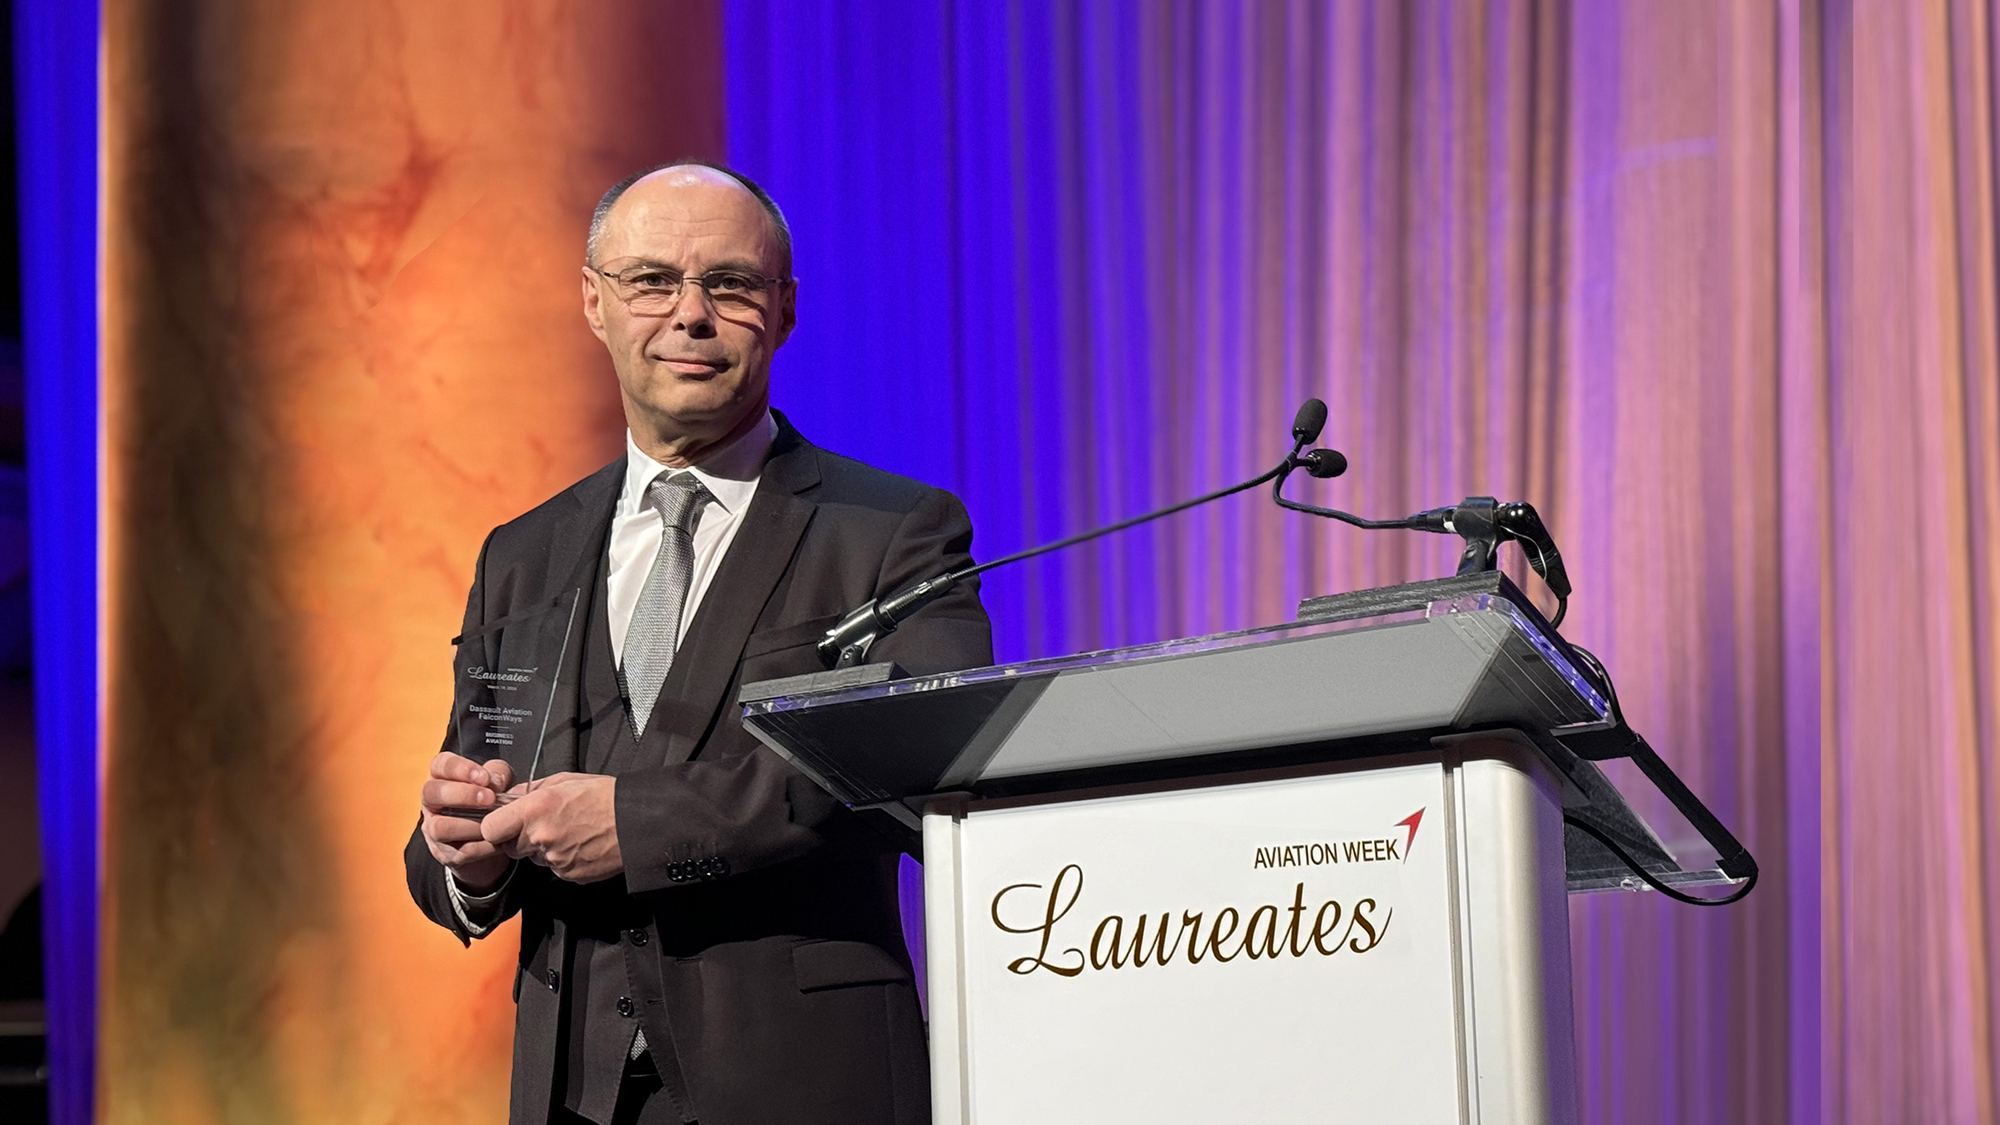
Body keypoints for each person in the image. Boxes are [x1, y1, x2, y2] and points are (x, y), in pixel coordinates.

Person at [404, 162, 992, 1125]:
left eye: (729, 283)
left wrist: (638, 823)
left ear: (785, 308)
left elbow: (916, 762)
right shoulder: (523, 551)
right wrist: (465, 856)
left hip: (805, 1082)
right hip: (570, 1094)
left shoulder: (896, 531)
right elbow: (453, 833)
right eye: (651, 280)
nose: (690, 314)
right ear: (594, 302)